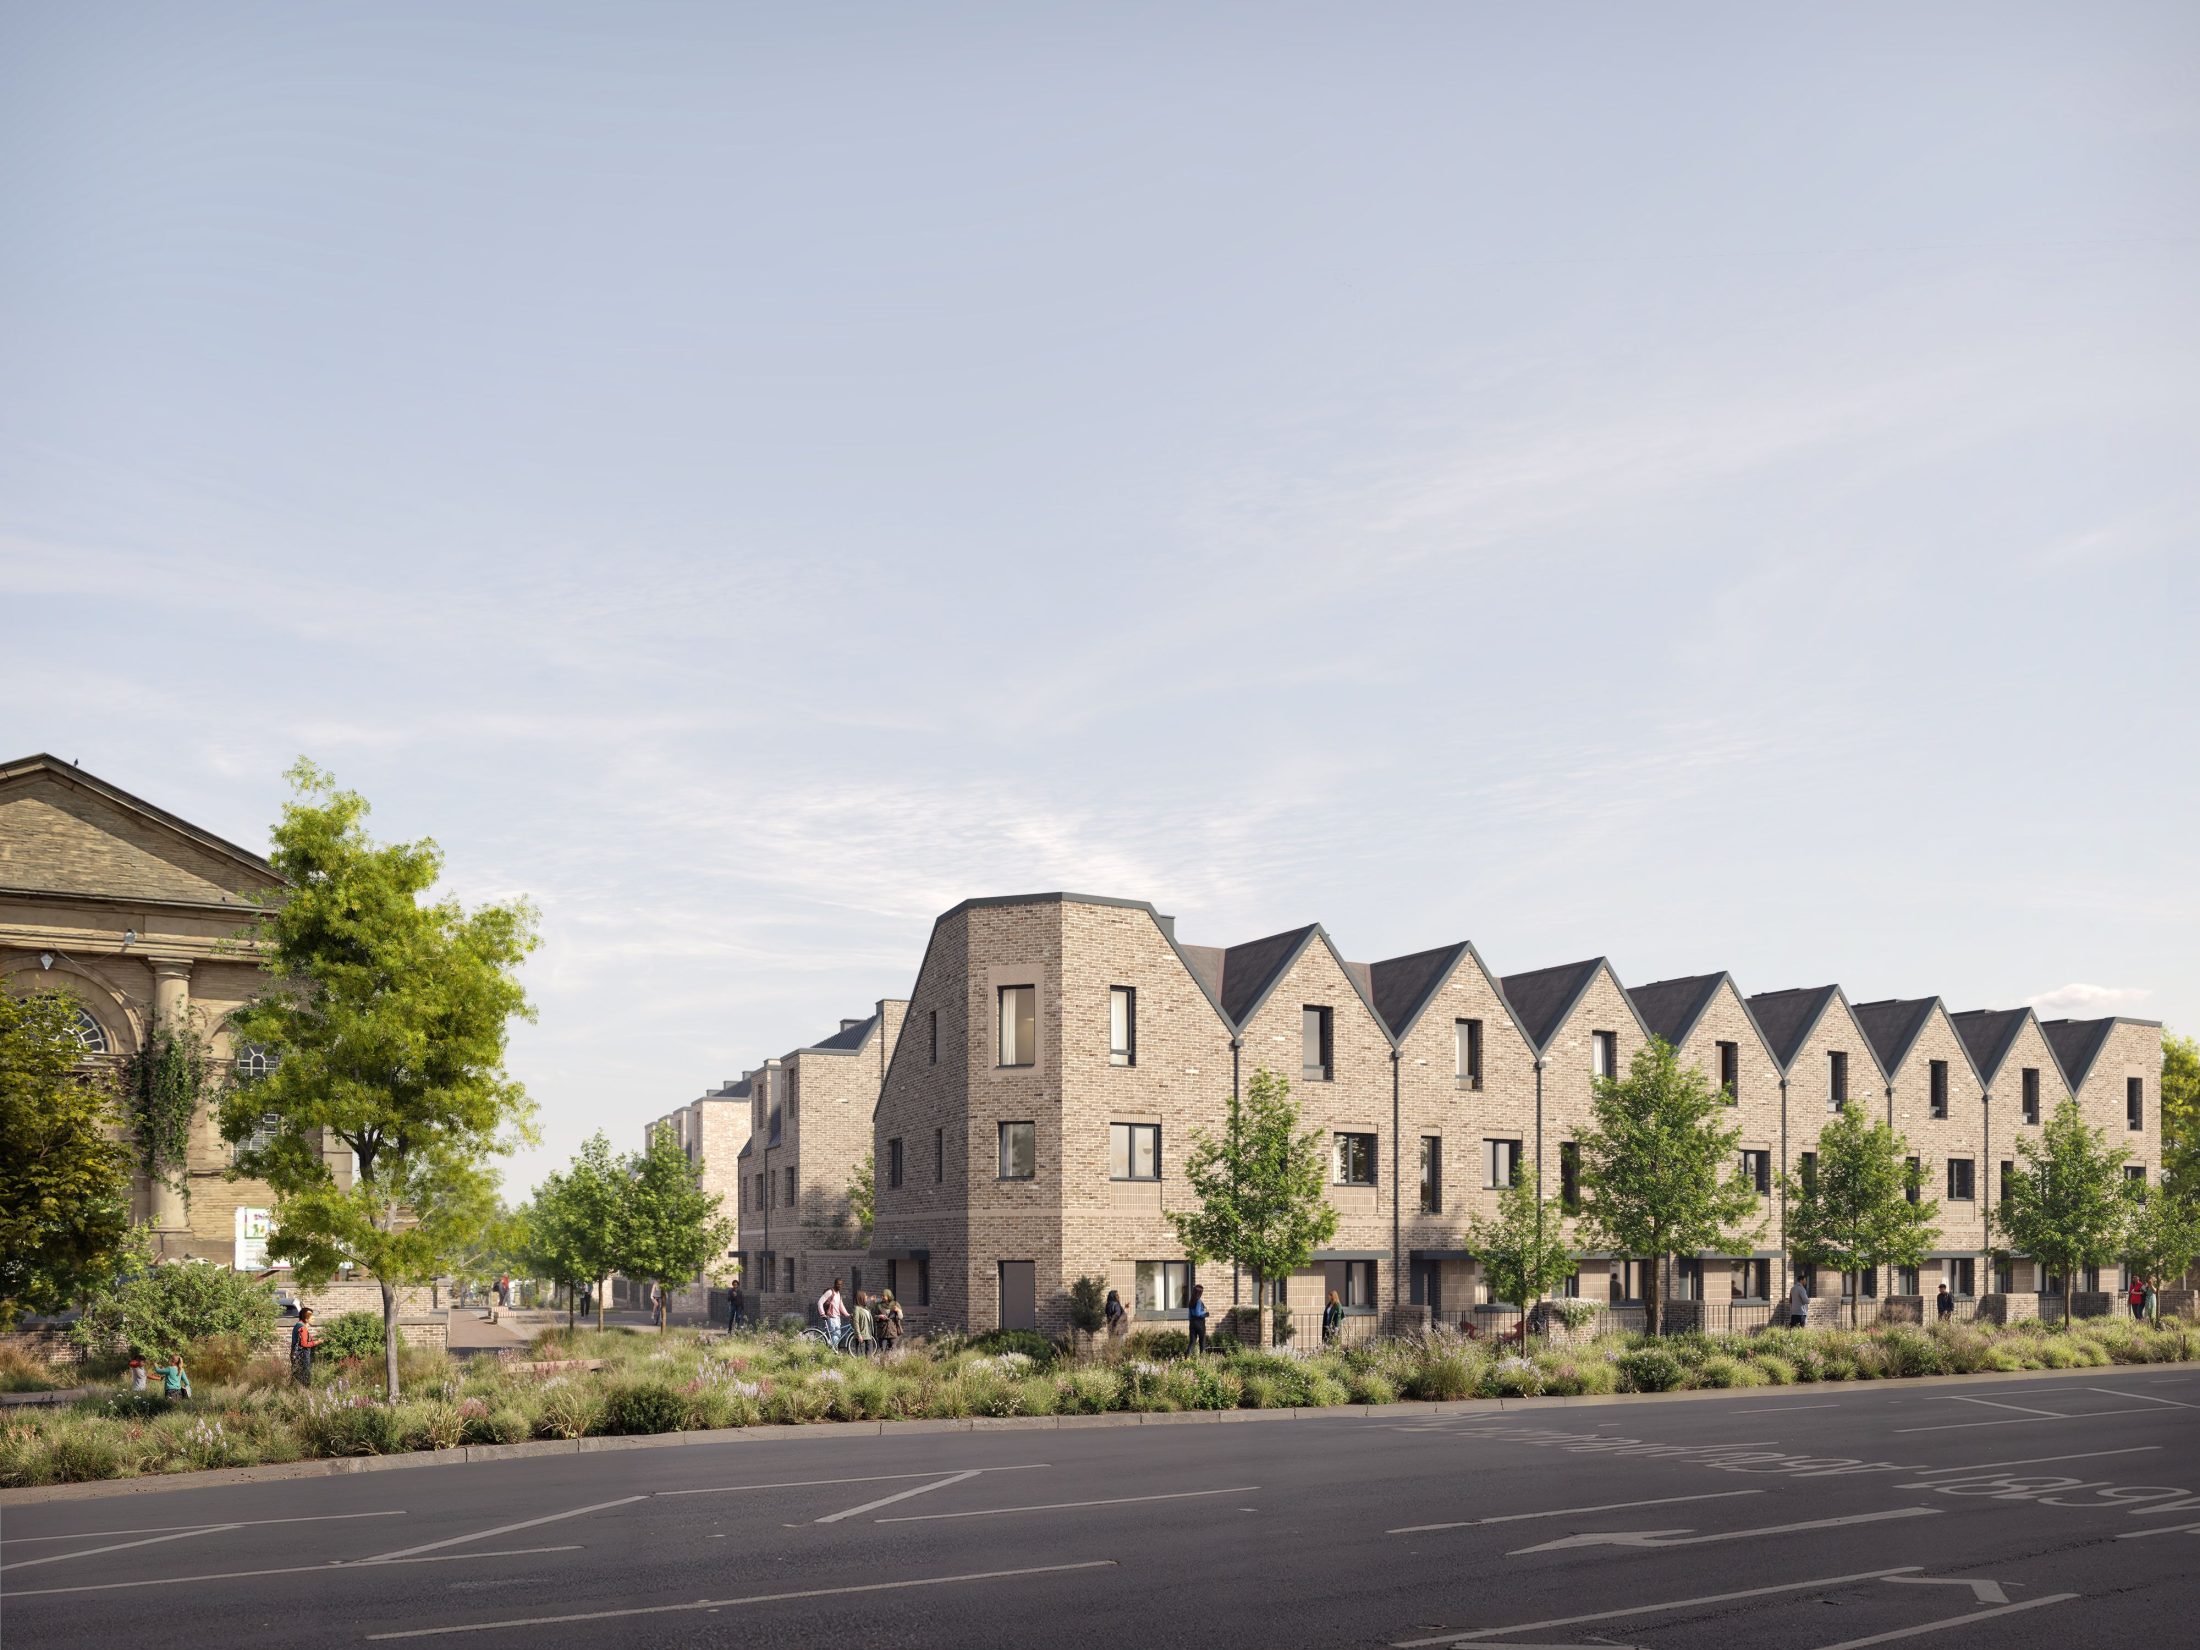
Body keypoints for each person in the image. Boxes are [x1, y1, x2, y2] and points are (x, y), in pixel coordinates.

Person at [291, 1305, 321, 1386]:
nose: (313, 1318)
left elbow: (302, 1339)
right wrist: (317, 1342)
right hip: (302, 1354)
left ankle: (295, 1390)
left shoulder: (298, 1325)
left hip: (295, 1353)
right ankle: (304, 1390)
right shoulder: (302, 1328)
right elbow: (304, 1344)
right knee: (304, 1373)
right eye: (311, 1317)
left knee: (297, 1374)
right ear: (306, 1318)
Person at [818, 1277, 849, 1349]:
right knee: (836, 1335)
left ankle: (831, 1349)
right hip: (831, 1317)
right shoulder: (830, 1292)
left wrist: (847, 1314)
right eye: (838, 1284)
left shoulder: (838, 1294)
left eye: (841, 1285)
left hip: (837, 1317)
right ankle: (829, 1350)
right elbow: (820, 1302)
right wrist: (822, 1314)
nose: (839, 1286)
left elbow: (841, 1306)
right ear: (835, 1284)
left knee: (837, 1335)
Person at [1186, 1283, 1209, 1355]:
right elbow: (1197, 1313)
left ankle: (1187, 1359)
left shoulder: (1191, 1301)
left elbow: (1190, 1315)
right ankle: (1203, 1360)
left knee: (1192, 1342)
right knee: (1202, 1341)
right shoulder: (1198, 1301)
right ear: (1199, 1293)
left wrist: (1191, 1322)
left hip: (1192, 1323)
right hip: (1200, 1323)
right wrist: (1205, 1313)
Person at [851, 1291, 875, 1355]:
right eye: (865, 1296)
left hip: (868, 1335)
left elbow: (870, 1304)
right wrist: (859, 1335)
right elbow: (856, 1323)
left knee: (869, 1356)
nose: (867, 1297)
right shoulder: (857, 1308)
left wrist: (871, 1299)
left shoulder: (866, 1308)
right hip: (861, 1336)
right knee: (861, 1356)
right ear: (861, 1298)